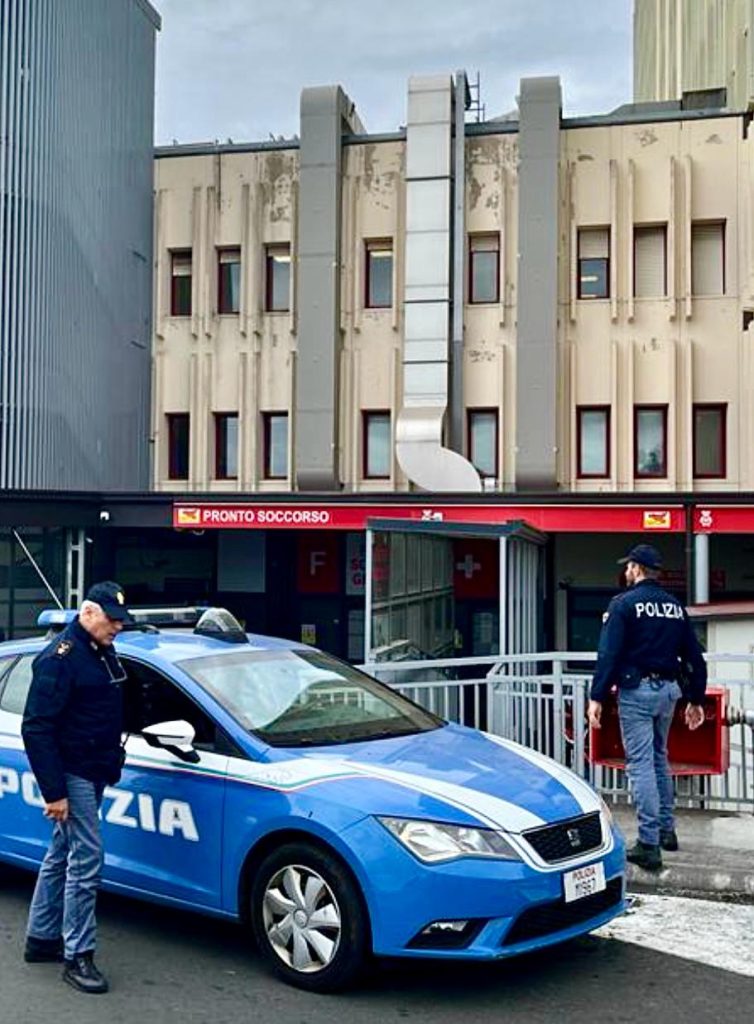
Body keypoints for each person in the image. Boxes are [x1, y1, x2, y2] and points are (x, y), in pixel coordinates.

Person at [21, 582, 133, 994]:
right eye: (112, 618)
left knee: (62, 852)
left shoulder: (99, 650)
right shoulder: (60, 658)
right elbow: (36, 727)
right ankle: (78, 956)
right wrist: (54, 793)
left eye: (121, 620)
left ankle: (41, 938)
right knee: (87, 857)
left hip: (95, 767)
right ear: (87, 613)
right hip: (73, 772)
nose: (118, 626)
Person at [588, 545, 707, 872]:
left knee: (640, 764)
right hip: (669, 691)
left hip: (637, 691)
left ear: (637, 568)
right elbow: (694, 657)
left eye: (628, 566)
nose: (626, 571)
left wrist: (596, 696)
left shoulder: (623, 605)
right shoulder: (674, 606)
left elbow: (608, 655)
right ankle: (667, 831)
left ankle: (649, 843)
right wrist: (695, 698)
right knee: (659, 757)